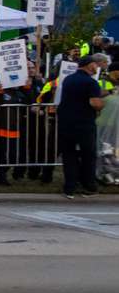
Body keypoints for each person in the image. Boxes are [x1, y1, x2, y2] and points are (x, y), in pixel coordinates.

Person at [56, 52, 107, 198]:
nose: (97, 67)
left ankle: (70, 187)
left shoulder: (68, 79)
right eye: (95, 64)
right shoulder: (91, 82)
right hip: (84, 124)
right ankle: (89, 186)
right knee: (88, 155)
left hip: (66, 123)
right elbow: (94, 103)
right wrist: (103, 103)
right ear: (90, 65)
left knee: (69, 155)